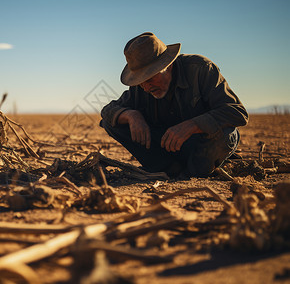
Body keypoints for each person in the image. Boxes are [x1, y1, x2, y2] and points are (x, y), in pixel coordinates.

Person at [100, 32, 248, 178]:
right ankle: (167, 169)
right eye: (140, 80)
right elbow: (108, 111)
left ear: (168, 66)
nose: (145, 87)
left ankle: (192, 173)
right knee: (112, 121)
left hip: (200, 147)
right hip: (166, 149)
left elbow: (237, 112)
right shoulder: (140, 87)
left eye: (149, 77)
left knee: (226, 133)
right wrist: (131, 115)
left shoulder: (200, 69)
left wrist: (193, 125)